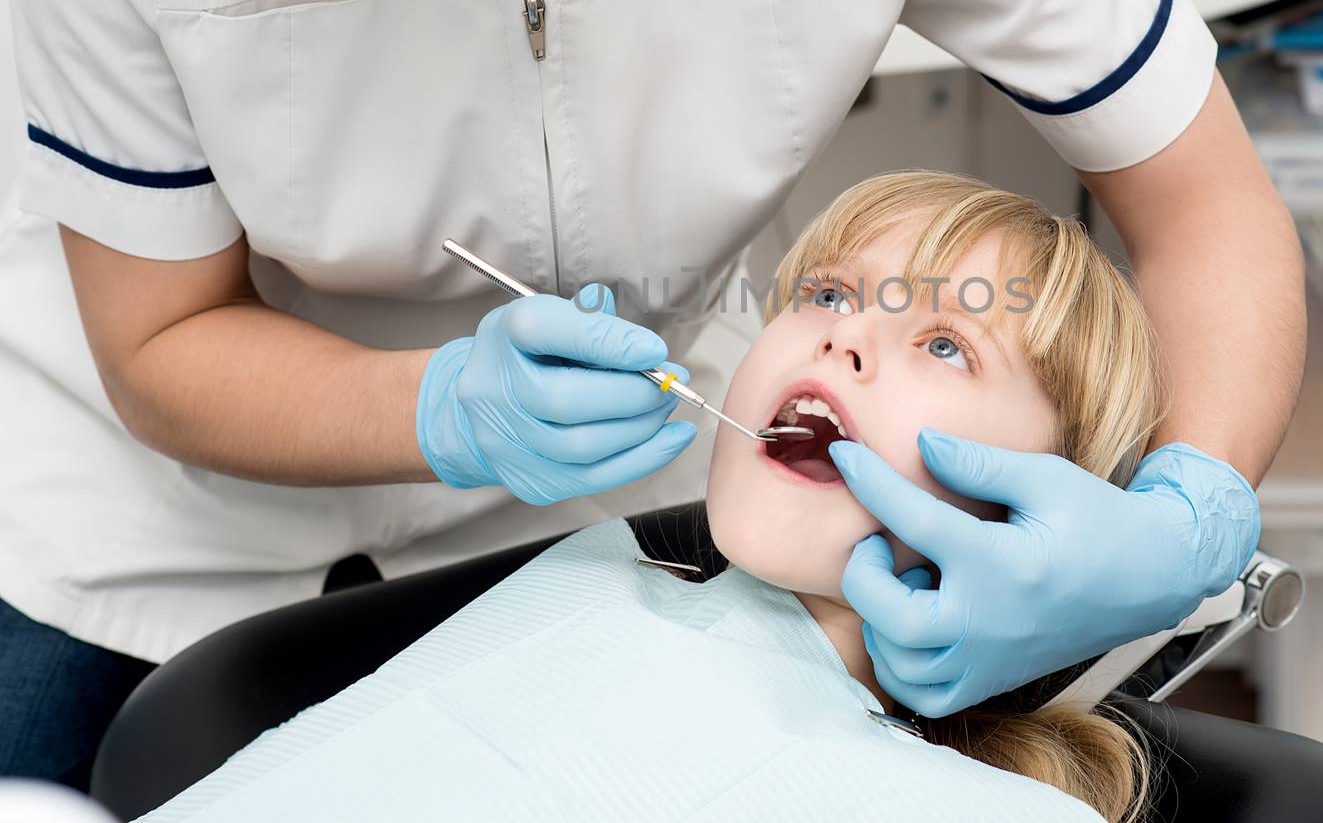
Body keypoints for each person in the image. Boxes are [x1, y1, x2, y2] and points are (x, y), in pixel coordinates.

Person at [0, 0, 1305, 785]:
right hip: (156, 530)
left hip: (616, 523)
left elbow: (1208, 213)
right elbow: (165, 336)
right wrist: (439, 410)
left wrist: (1184, 516)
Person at [139, 171, 1179, 823]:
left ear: (1051, 506)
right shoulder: (590, 578)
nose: (842, 335)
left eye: (947, 342)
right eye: (826, 294)